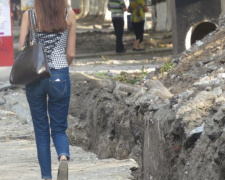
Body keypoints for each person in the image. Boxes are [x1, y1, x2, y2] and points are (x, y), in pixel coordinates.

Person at [19, 0, 76, 179]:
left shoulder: (29, 16)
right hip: (60, 75)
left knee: (41, 130)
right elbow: (71, 53)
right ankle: (63, 158)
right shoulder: (70, 15)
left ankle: (46, 177)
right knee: (59, 128)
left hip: (36, 76)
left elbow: (22, 49)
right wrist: (61, 71)